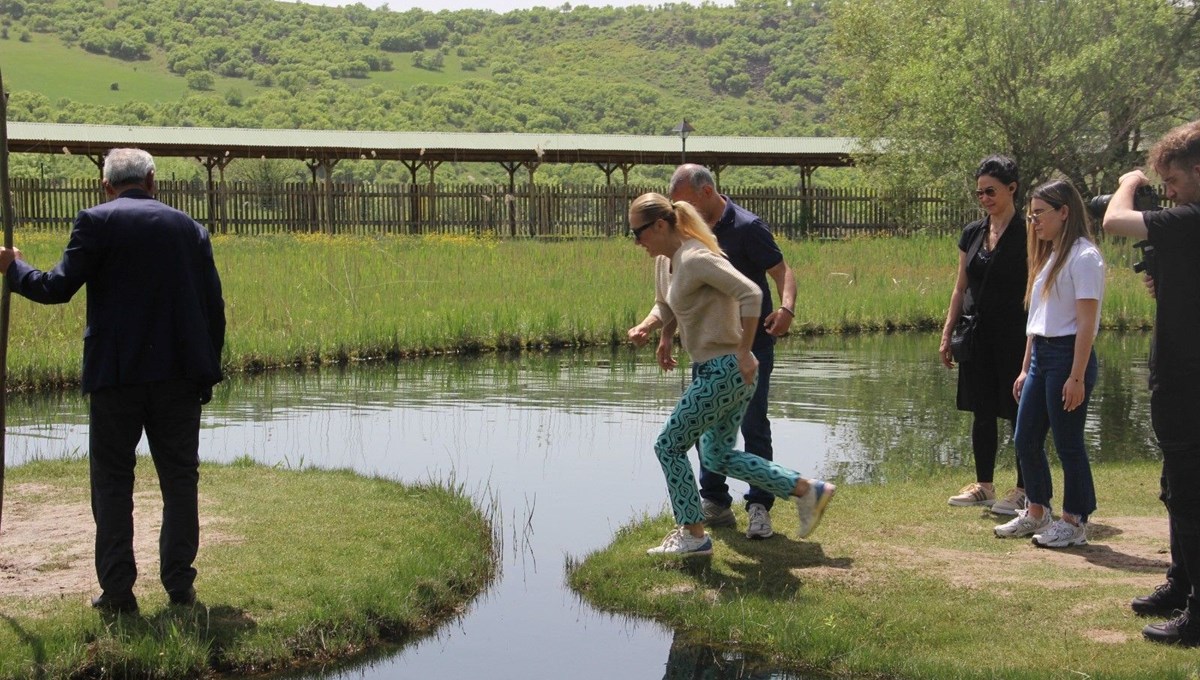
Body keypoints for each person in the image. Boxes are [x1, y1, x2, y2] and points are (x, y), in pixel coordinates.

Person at [0, 148, 226, 614]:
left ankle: (118, 592)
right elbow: (213, 309)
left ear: (106, 186)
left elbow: (55, 288)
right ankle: (180, 587)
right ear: (152, 180)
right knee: (180, 481)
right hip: (180, 377)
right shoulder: (190, 229)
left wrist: (12, 269)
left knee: (112, 483)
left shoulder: (95, 222)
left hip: (116, 377)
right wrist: (207, 371)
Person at [625, 192, 833, 556]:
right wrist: (649, 327)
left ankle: (693, 534)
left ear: (660, 225)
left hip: (724, 369)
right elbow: (664, 304)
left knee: (669, 445)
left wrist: (743, 350)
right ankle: (805, 490)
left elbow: (751, 292)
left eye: (637, 234)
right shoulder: (666, 261)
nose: (636, 242)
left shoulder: (695, 257)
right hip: (714, 369)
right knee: (718, 456)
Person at [1103, 118, 1200, 646]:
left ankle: (1197, 615)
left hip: (1187, 379)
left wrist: (1129, 180)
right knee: (1177, 486)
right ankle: (1181, 585)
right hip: (1181, 369)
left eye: (1173, 184)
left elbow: (1115, 221)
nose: (1167, 195)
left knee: (1189, 494)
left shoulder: (1193, 218)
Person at [993, 179, 1104, 547]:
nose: (1033, 221)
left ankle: (1075, 520)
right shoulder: (1051, 255)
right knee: (1025, 437)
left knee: (1069, 442)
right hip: (1042, 355)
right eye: (1031, 214)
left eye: (1039, 213)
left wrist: (1076, 376)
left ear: (1064, 212)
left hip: (1069, 356)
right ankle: (1038, 511)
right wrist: (1026, 367)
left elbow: (1086, 322)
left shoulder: (1085, 256)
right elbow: (1037, 322)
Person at [939, 155, 1029, 515]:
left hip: (1017, 335)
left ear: (1012, 188)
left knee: (1019, 411)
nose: (985, 199)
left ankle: (1024, 489)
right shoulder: (972, 233)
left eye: (990, 191)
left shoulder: (1030, 232)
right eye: (979, 193)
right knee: (982, 410)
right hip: (976, 334)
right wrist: (947, 333)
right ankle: (984, 486)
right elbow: (960, 288)